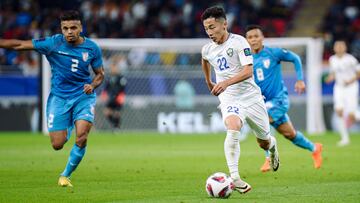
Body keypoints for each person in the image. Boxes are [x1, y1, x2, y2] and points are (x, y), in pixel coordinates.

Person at [0, 10, 105, 187]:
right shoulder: (52, 43)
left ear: (80, 28)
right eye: (65, 28)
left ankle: (65, 175)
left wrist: (92, 85)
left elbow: (100, 74)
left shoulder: (92, 48)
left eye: (73, 27)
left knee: (82, 136)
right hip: (60, 98)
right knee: (57, 144)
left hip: (83, 96)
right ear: (61, 29)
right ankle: (69, 124)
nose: (69, 31)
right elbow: (19, 45)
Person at [200, 6, 279, 194]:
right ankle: (235, 177)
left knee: (264, 142)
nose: (209, 32)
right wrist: (208, 80)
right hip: (230, 97)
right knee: (233, 126)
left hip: (250, 96)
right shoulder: (208, 49)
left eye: (212, 27)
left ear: (224, 24)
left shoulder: (239, 42)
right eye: (206, 29)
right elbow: (204, 59)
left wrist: (225, 82)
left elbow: (248, 71)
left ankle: (273, 146)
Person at [245, 25, 323, 172]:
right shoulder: (247, 58)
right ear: (246, 40)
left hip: (279, 100)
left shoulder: (273, 52)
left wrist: (300, 80)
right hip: (263, 101)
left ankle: (269, 157)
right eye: (250, 37)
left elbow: (295, 58)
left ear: (262, 38)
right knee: (290, 134)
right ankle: (315, 148)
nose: (253, 39)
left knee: (262, 119)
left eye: (256, 36)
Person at [326, 40, 360, 146]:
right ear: (334, 48)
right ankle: (345, 139)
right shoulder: (332, 59)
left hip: (351, 87)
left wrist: (350, 80)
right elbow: (333, 73)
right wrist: (329, 78)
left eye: (341, 46)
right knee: (339, 111)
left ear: (345, 47)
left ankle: (355, 114)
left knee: (351, 115)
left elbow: (358, 72)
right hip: (339, 88)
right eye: (337, 46)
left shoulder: (351, 59)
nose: (339, 48)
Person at [102, 60, 127, 129]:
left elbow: (123, 89)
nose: (112, 69)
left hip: (118, 97)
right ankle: (114, 125)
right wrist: (104, 94)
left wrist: (121, 96)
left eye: (114, 67)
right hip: (110, 97)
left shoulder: (121, 78)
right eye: (111, 67)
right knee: (107, 112)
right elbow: (106, 88)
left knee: (117, 113)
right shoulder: (109, 77)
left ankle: (117, 127)